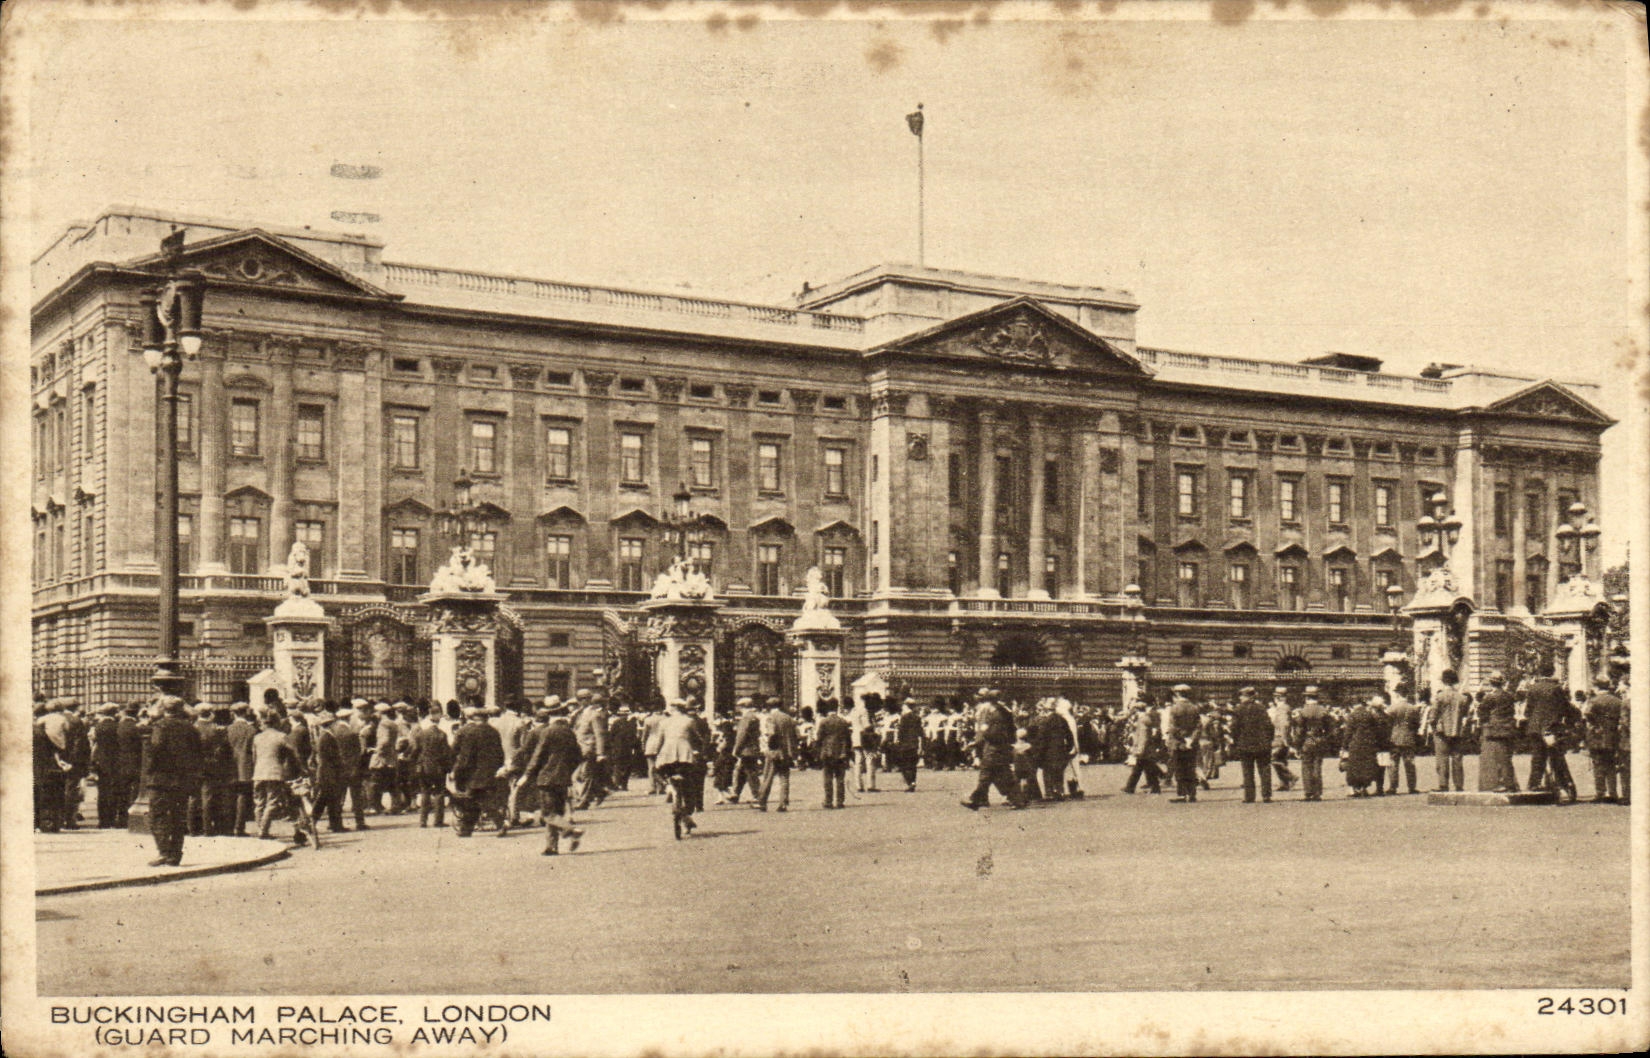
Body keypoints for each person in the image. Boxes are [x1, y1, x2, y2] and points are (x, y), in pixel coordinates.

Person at [516, 697, 584, 854]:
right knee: (556, 812)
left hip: (546, 778)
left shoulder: (548, 732)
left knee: (547, 813)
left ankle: (571, 829)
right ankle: (551, 846)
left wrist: (526, 775)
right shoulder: (569, 732)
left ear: (550, 716)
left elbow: (537, 756)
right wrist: (568, 770)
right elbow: (578, 756)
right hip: (563, 778)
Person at [141, 696, 204, 867]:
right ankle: (175, 853)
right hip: (182, 779)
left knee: (157, 816)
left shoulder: (160, 726)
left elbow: (155, 749)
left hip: (161, 779)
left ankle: (164, 851)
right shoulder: (191, 728)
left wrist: (150, 769)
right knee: (178, 817)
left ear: (164, 709)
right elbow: (198, 754)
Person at [449, 706, 509, 837]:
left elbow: (464, 755)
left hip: (473, 774)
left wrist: (458, 771)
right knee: (478, 800)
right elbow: (500, 753)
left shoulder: (468, 732)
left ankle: (497, 825)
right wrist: (498, 768)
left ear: (472, 718)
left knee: (475, 800)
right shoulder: (493, 731)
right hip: (490, 772)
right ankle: (467, 829)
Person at [963, 691, 1027, 809]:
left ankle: (977, 799)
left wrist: (984, 732)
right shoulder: (1000, 712)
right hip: (996, 749)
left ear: (989, 702)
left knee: (987, 774)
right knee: (1000, 775)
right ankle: (1017, 799)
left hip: (995, 749)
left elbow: (995, 734)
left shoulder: (996, 715)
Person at [1524, 662, 1578, 803]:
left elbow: (1528, 711)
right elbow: (1565, 708)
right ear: (1552, 672)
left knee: (1537, 758)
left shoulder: (1532, 688)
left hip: (1535, 728)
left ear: (1539, 672)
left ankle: (1533, 784)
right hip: (1552, 727)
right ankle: (1565, 786)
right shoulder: (1556, 689)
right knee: (1557, 758)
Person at [654, 698, 705, 838]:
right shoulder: (689, 721)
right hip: (684, 756)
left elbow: (659, 741)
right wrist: (698, 750)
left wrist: (658, 754)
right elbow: (698, 738)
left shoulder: (664, 722)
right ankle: (687, 812)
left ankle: (667, 787)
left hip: (667, 756)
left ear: (672, 708)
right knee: (689, 784)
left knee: (657, 772)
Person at [1228, 686, 1274, 803]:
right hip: (1262, 744)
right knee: (1264, 770)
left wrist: (1236, 740)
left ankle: (1249, 796)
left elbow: (1234, 727)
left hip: (1245, 744)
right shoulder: (1261, 708)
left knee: (1247, 771)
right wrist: (1269, 740)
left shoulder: (1238, 709)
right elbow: (1269, 726)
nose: (1240, 698)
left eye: (1241, 696)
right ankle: (1266, 795)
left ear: (1245, 696)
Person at [1426, 670, 1470, 793]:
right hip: (1457, 730)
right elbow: (1465, 715)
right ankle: (1459, 785)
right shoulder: (1463, 698)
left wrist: (1433, 726)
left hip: (1441, 732)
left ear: (1444, 681)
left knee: (1442, 758)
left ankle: (1443, 784)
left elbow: (1433, 715)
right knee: (1457, 758)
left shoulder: (1439, 697)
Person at [1581, 677, 1623, 803]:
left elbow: (1587, 714)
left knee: (1598, 765)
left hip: (1597, 736)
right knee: (1611, 765)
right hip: (1612, 735)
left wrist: (1596, 725)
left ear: (1597, 687)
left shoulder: (1594, 701)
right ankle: (1613, 792)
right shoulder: (1617, 701)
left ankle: (1600, 792)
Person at [1291, 686, 1334, 802]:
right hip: (1320, 739)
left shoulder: (1303, 711)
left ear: (1307, 697)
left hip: (1308, 740)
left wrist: (1297, 745)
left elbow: (1299, 731)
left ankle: (1308, 792)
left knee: (1306, 766)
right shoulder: (1323, 711)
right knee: (1317, 766)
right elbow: (1331, 728)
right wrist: (1325, 738)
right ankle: (1317, 792)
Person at [755, 698, 799, 812]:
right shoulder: (788, 718)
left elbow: (772, 733)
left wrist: (769, 746)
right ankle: (783, 803)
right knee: (784, 777)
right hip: (786, 751)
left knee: (768, 777)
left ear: (769, 707)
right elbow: (795, 735)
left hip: (774, 751)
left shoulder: (771, 718)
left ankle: (762, 801)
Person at [329, 704, 367, 832]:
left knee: (338, 796)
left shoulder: (333, 732)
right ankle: (359, 822)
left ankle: (335, 822)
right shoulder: (351, 733)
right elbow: (358, 752)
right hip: (352, 768)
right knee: (356, 796)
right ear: (348, 718)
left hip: (338, 768)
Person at [1341, 695, 1386, 797]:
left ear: (1354, 704)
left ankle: (1356, 788)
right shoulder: (1369, 715)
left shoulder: (1352, 715)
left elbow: (1348, 732)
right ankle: (1364, 788)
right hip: (1368, 744)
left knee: (1355, 767)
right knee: (1366, 766)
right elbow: (1376, 729)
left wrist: (1344, 745)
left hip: (1355, 743)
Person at [572, 689, 610, 809]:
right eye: (580, 699)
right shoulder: (579, 713)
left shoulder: (594, 714)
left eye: (585, 699)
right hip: (579, 748)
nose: (582, 701)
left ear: (589, 700)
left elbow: (599, 734)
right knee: (578, 776)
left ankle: (583, 801)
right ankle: (599, 791)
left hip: (589, 748)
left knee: (585, 775)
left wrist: (600, 753)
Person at [1031, 699, 1074, 803]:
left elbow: (1042, 738)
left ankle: (1049, 793)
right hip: (1060, 750)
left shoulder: (1045, 722)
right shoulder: (1062, 720)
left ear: (1046, 709)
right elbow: (1069, 735)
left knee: (1048, 772)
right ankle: (1059, 791)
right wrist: (1068, 748)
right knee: (1059, 772)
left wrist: (1038, 753)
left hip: (1048, 752)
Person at [1120, 694, 1164, 795]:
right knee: (1143, 767)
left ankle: (1132, 787)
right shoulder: (1146, 717)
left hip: (1145, 747)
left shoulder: (1144, 718)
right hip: (1146, 747)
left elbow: (1144, 735)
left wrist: (1140, 749)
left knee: (1143, 767)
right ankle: (1134, 787)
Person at [1165, 685, 1202, 803]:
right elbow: (1198, 726)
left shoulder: (1174, 708)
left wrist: (1183, 738)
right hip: (1192, 744)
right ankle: (1192, 794)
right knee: (1191, 768)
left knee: (1180, 768)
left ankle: (1181, 794)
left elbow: (1173, 727)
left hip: (1178, 743)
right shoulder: (1194, 708)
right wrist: (1191, 739)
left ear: (1177, 694)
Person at [225, 703, 257, 835]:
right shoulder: (252, 730)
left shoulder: (228, 729)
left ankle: (228, 826)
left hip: (230, 766)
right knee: (243, 797)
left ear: (234, 713)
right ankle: (239, 827)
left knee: (229, 796)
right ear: (245, 712)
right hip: (246, 767)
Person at [367, 702, 403, 814]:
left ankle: (374, 806)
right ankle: (396, 806)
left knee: (375, 781)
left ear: (380, 713)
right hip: (391, 756)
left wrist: (378, 750)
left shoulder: (383, 724)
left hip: (382, 758)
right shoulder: (393, 724)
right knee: (392, 782)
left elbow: (384, 740)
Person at [816, 698, 853, 809]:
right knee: (840, 778)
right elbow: (848, 738)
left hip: (827, 752)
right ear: (837, 708)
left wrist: (818, 751)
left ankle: (828, 801)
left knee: (828, 778)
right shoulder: (843, 722)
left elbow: (819, 738)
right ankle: (840, 801)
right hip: (841, 752)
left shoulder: (824, 722)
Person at [1385, 691, 1422, 795]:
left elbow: (1387, 722)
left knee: (1393, 763)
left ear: (1398, 694)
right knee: (1410, 763)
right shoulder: (1413, 708)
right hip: (1408, 738)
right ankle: (1412, 786)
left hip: (1395, 737)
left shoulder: (1392, 708)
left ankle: (1393, 787)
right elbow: (1417, 723)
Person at [729, 698, 764, 804]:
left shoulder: (746, 718)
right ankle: (735, 793)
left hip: (746, 749)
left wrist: (736, 749)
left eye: (740, 706)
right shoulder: (754, 717)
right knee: (741, 771)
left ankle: (758, 794)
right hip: (753, 748)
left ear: (743, 706)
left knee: (750, 772)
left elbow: (741, 735)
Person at [1268, 686, 1297, 793]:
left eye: (1275, 697)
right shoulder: (1285, 708)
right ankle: (1284, 783)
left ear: (1278, 698)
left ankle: (1291, 777)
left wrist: (1284, 739)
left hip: (1279, 737)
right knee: (1281, 760)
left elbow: (1285, 724)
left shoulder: (1282, 708)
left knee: (1273, 759)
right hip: (1282, 736)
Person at [892, 697, 925, 792]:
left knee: (903, 764)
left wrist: (898, 740)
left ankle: (909, 782)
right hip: (914, 743)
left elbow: (901, 731)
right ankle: (913, 781)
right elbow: (920, 731)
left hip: (905, 744)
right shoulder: (917, 717)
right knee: (912, 764)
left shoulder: (904, 717)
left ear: (906, 706)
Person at [851, 695, 881, 793]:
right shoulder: (864, 711)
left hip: (855, 738)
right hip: (865, 738)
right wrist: (875, 727)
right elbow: (866, 725)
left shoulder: (854, 711)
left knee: (858, 762)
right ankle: (870, 785)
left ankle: (859, 785)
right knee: (870, 760)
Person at [641, 702, 666, 795]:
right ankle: (661, 786)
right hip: (663, 744)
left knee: (651, 767)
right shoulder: (666, 718)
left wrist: (643, 744)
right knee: (661, 766)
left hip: (651, 743)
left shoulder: (648, 720)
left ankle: (652, 787)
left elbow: (645, 734)